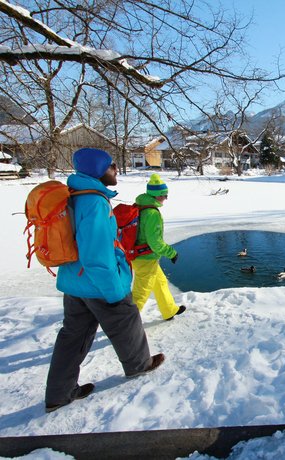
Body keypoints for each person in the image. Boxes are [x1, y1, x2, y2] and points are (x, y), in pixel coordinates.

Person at [45, 148, 164, 413]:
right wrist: (115, 291)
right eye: (111, 166)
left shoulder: (74, 195)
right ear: (99, 171)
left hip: (74, 282)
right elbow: (97, 255)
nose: (116, 169)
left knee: (72, 336)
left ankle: (58, 394)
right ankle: (139, 365)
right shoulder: (95, 203)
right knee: (127, 317)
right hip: (96, 282)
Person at [131, 173, 186, 321]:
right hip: (145, 258)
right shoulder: (152, 213)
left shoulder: (142, 205)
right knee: (141, 293)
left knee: (160, 283)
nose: (166, 198)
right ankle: (126, 323)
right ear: (156, 195)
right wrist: (171, 253)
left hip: (142, 257)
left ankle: (169, 310)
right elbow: (155, 242)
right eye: (164, 195)